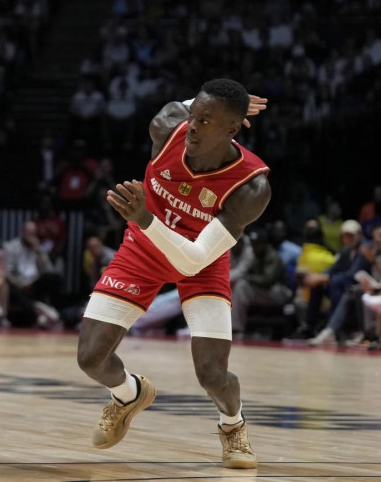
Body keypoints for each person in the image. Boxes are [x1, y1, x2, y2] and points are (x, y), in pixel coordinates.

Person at [76, 79, 270, 469]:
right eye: (193, 114)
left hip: (201, 262)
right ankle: (129, 394)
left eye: (206, 120)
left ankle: (233, 425)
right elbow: (188, 108)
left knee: (212, 375)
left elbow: (193, 260)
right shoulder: (167, 125)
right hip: (143, 251)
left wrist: (145, 218)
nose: (193, 127)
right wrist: (219, 101)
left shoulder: (253, 186)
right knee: (90, 358)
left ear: (232, 130)